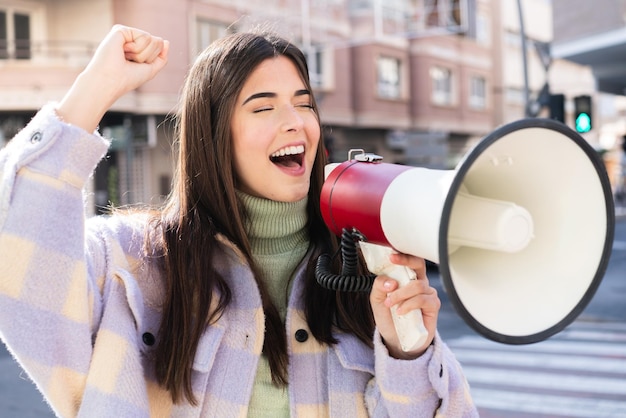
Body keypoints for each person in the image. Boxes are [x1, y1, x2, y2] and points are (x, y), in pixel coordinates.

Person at [0, 25, 477, 417]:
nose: (296, 121)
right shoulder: (132, 261)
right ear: (214, 137)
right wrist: (94, 89)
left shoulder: (361, 266)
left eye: (304, 102)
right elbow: (23, 279)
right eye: (264, 106)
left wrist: (406, 352)